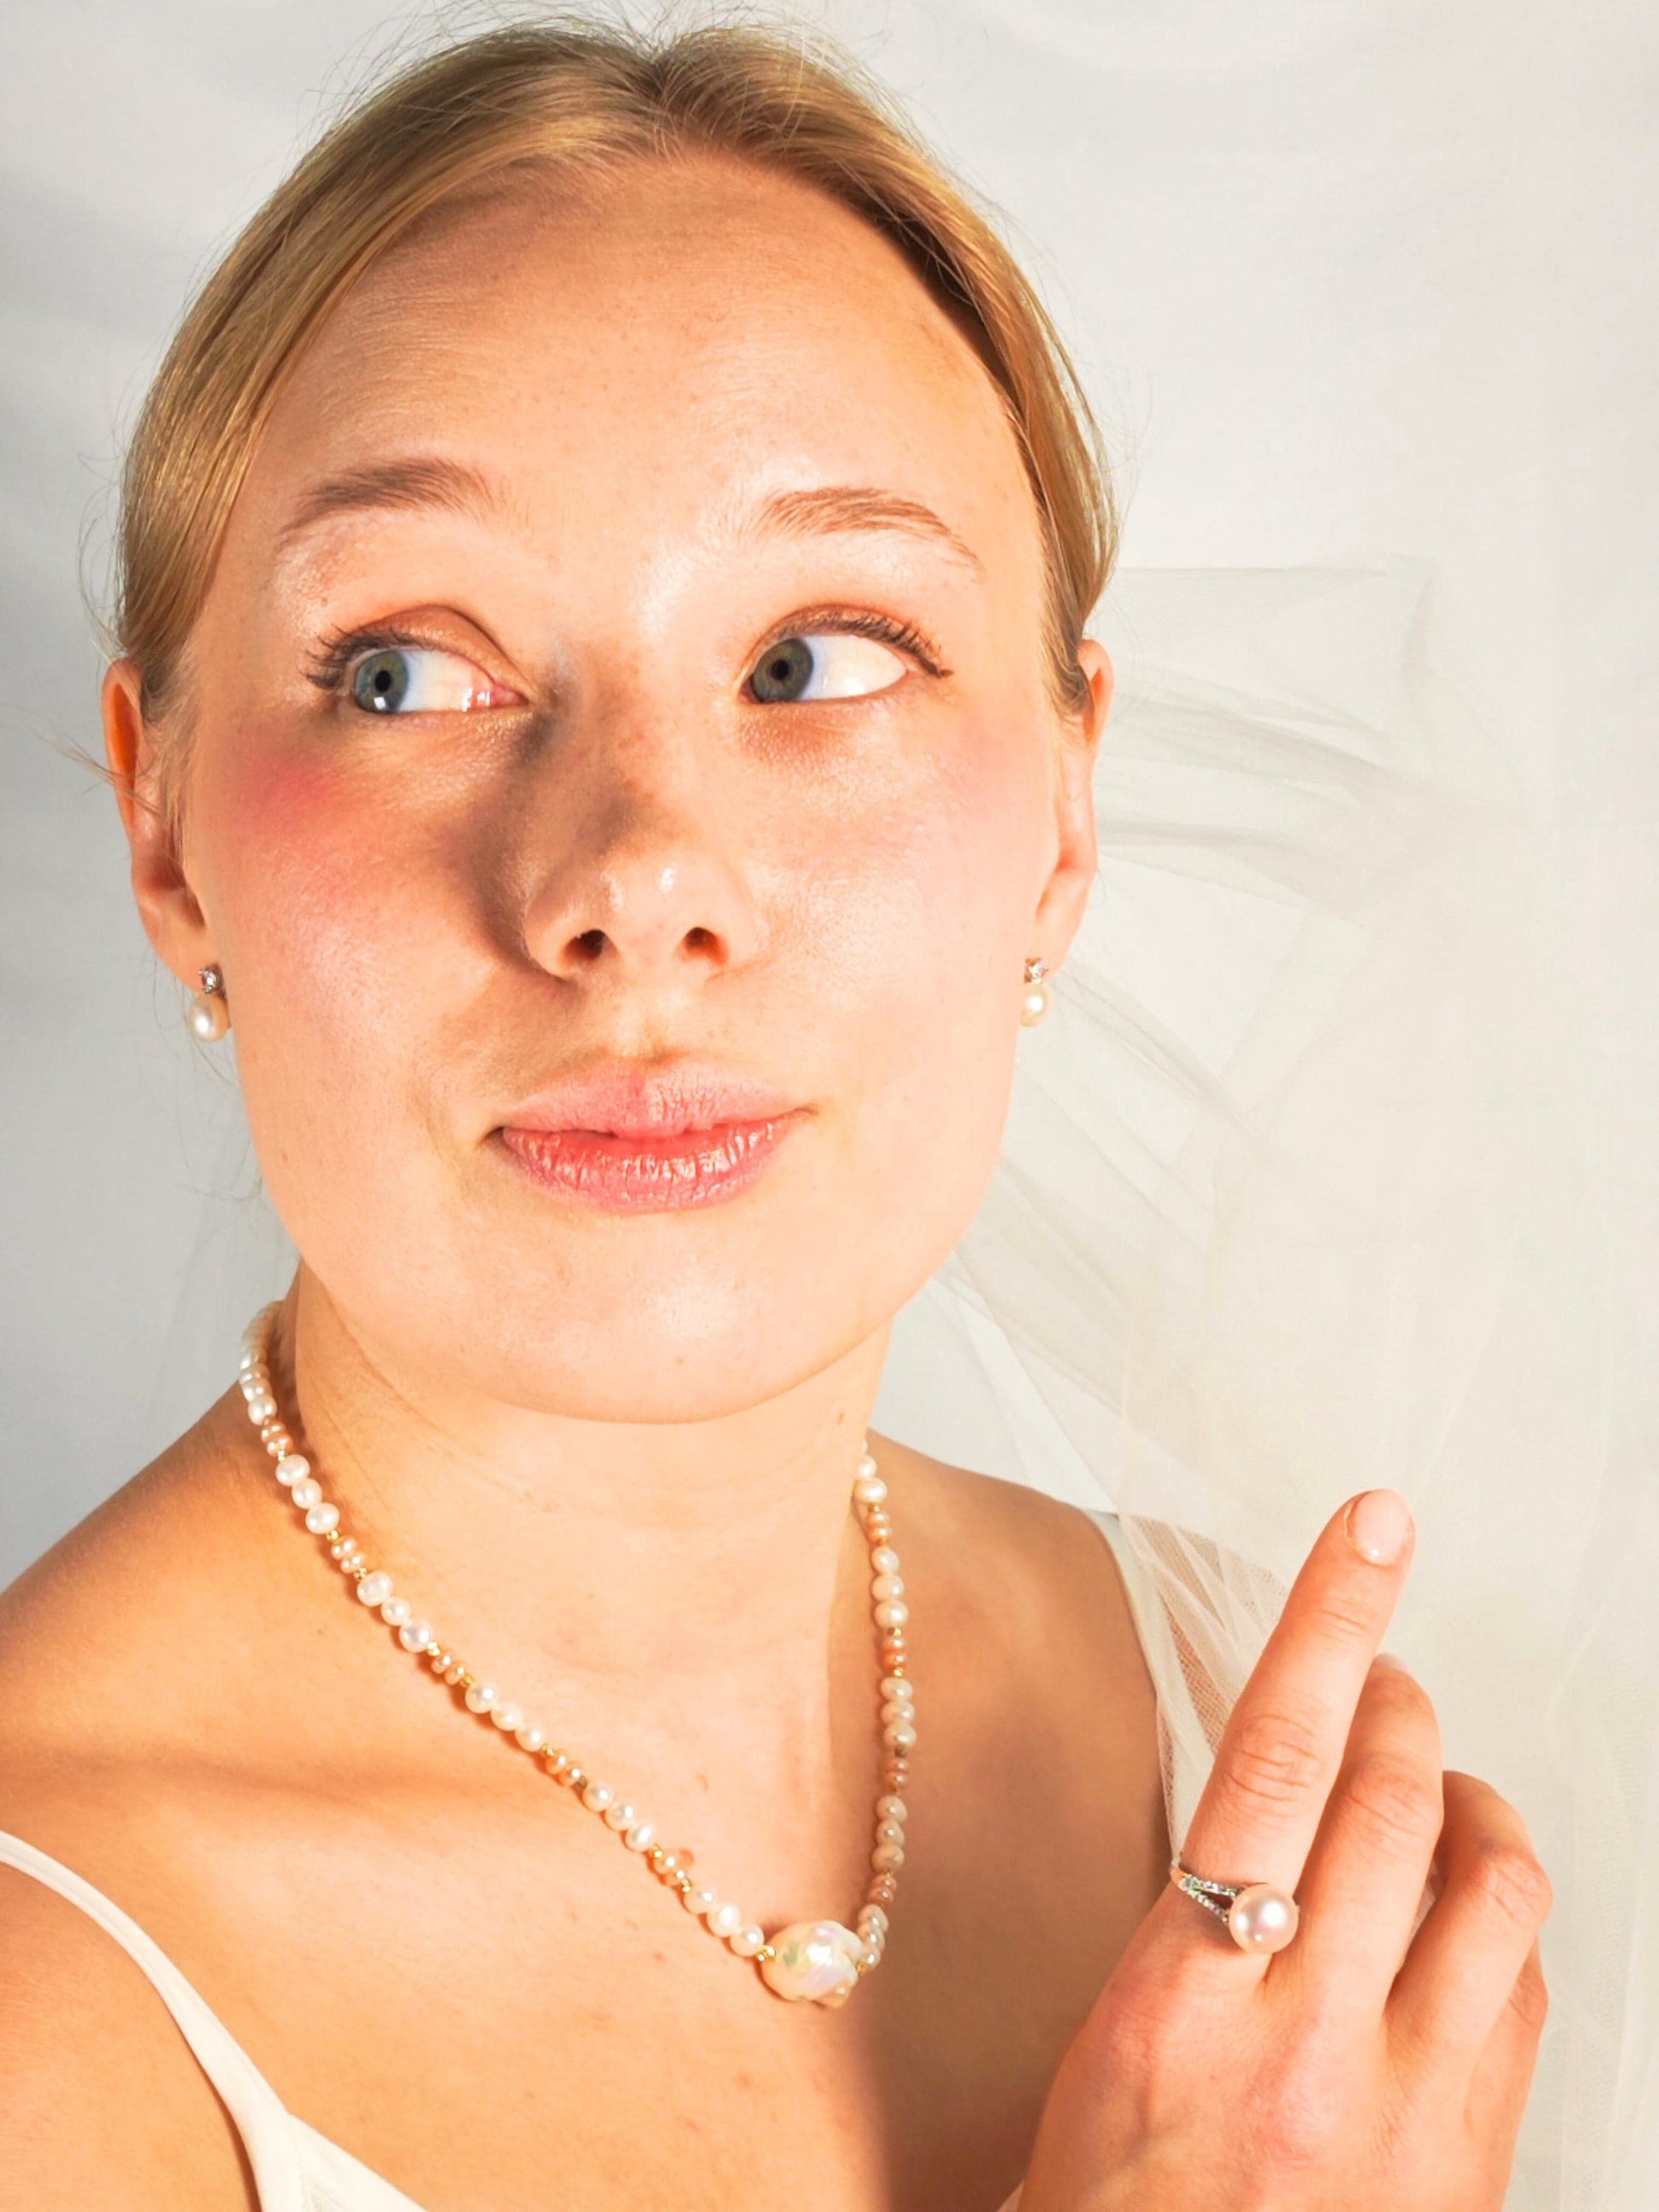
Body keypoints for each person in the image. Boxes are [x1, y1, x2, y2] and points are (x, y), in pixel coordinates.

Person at [0, 19, 1557, 2209]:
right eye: (405, 671)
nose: (638, 877)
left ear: (1065, 808)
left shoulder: (1270, 1748)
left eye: (817, 655)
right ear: (165, 836)